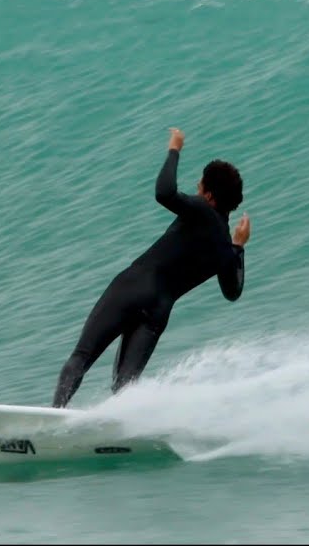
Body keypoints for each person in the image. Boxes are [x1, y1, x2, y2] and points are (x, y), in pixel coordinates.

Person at [51, 127, 251, 408]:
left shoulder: (202, 210)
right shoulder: (224, 248)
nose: (196, 187)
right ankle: (120, 426)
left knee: (82, 357)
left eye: (200, 185)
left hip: (132, 289)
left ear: (210, 197)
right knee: (124, 387)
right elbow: (233, 291)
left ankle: (55, 415)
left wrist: (174, 148)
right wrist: (239, 246)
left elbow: (164, 193)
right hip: (157, 312)